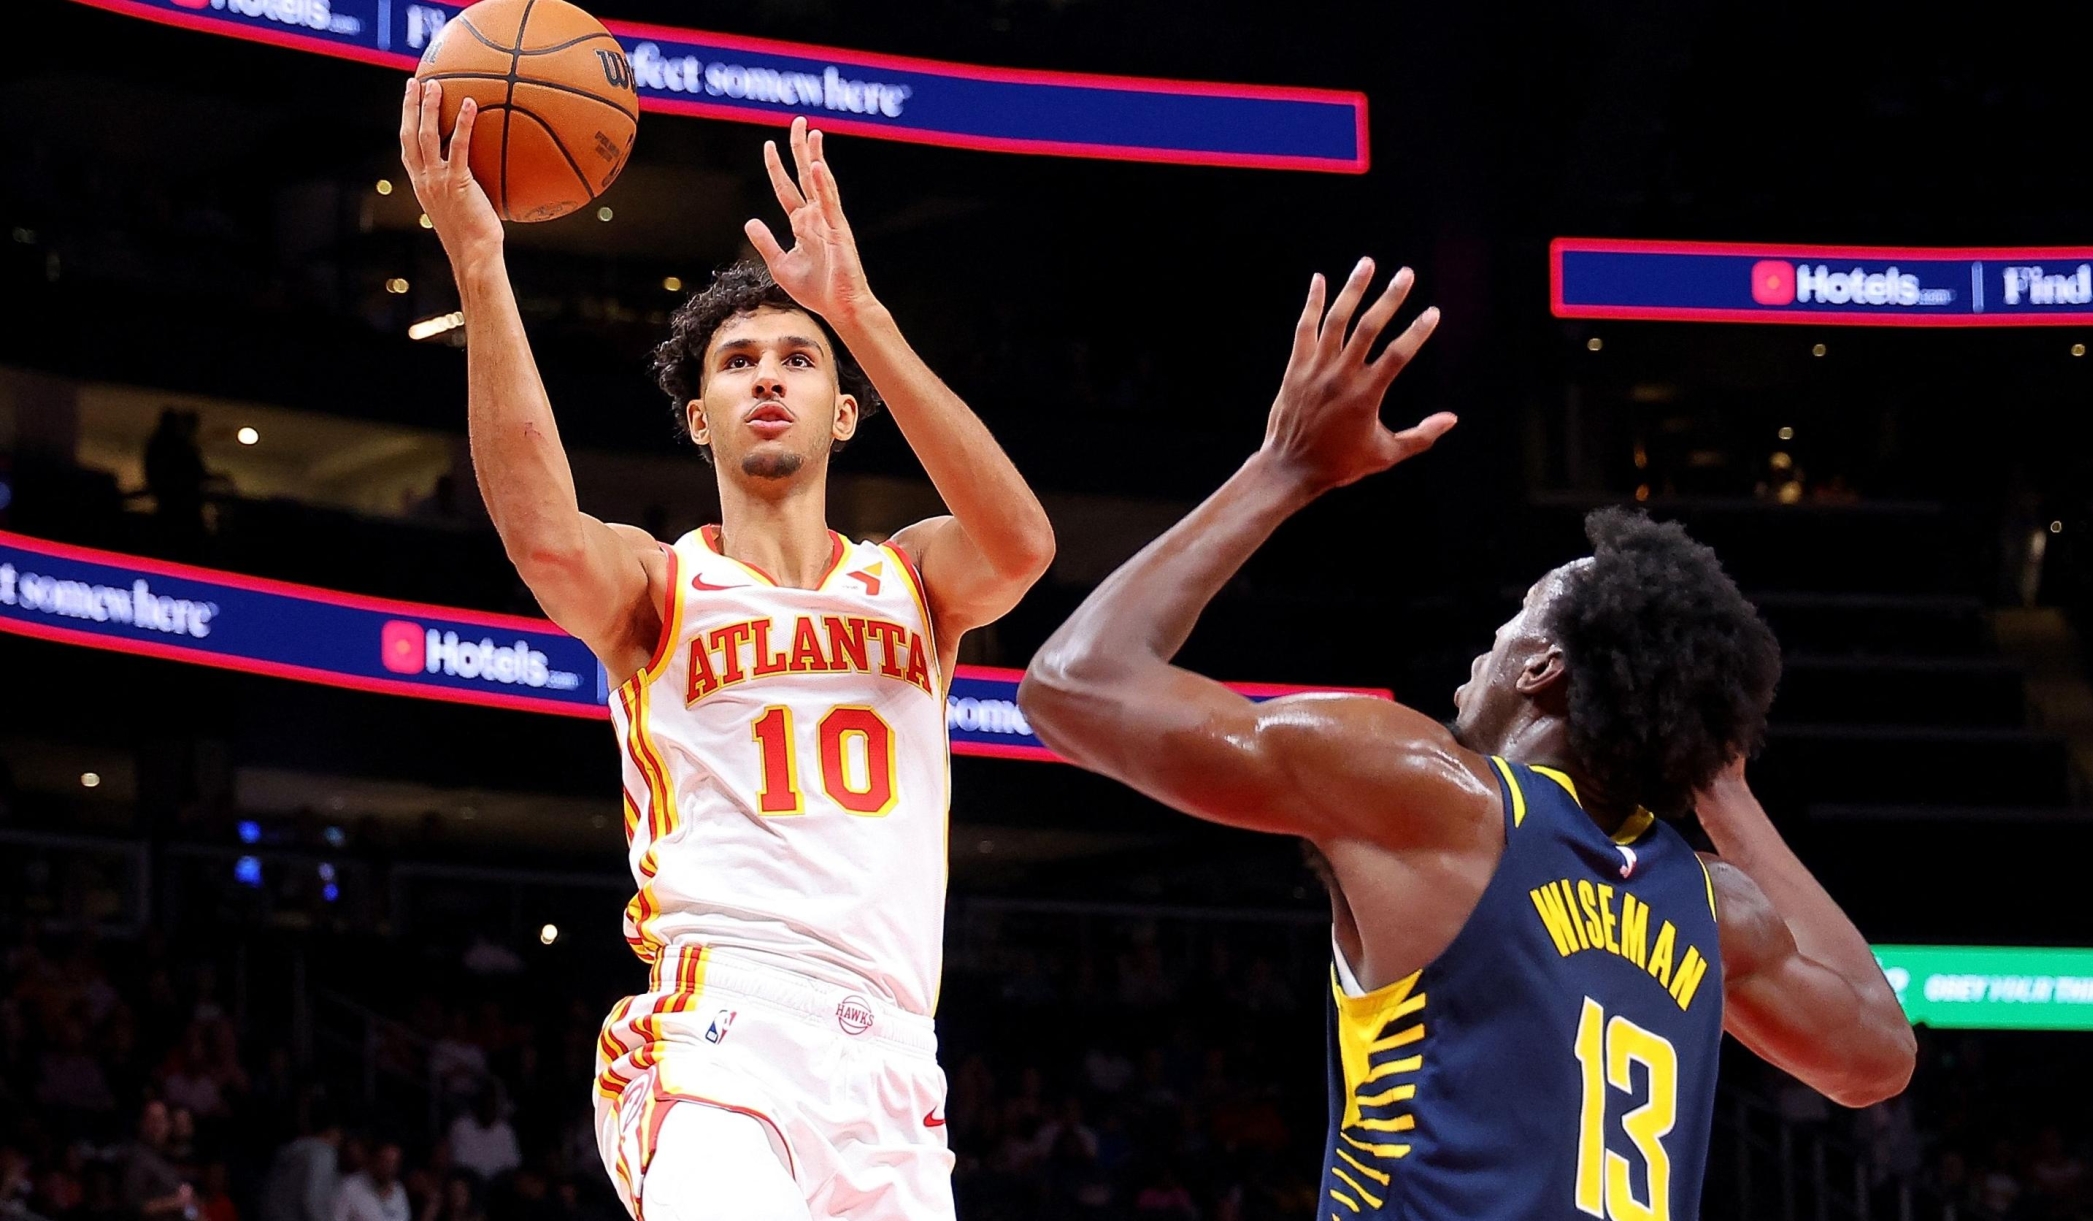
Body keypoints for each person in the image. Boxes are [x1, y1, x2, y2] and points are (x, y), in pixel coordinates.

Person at [1019, 260, 1917, 1220]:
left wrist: (1283, 470)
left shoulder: (1429, 790)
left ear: (1542, 669)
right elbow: (1876, 1053)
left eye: (1517, 618)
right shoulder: (1715, 909)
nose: (1484, 644)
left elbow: (1073, 686)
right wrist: (1725, 790)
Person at [400, 84, 1054, 1221]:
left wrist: (858, 314)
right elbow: (541, 533)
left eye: (799, 360)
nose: (766, 376)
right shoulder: (660, 586)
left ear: (843, 411)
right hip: (722, 1036)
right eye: (737, 361)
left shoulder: (913, 580)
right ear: (698, 417)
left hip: (898, 1064)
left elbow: (1024, 544)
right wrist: (478, 258)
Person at [331, 1142, 408, 1221]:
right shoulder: (350, 1187)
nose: (388, 1167)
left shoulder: (399, 1190)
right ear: (374, 1160)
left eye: (393, 1163)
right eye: (385, 1161)